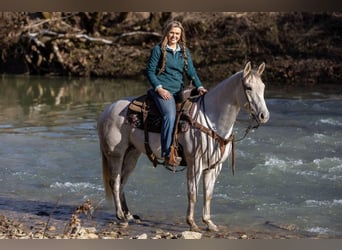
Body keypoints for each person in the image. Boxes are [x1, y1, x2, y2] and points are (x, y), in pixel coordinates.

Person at [146, 20, 207, 166]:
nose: (174, 36)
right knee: (170, 115)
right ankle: (167, 153)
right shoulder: (158, 50)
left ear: (181, 35)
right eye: (172, 33)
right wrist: (159, 88)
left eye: (177, 34)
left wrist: (199, 86)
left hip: (179, 91)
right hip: (162, 91)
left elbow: (191, 72)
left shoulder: (184, 52)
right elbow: (149, 71)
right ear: (167, 33)